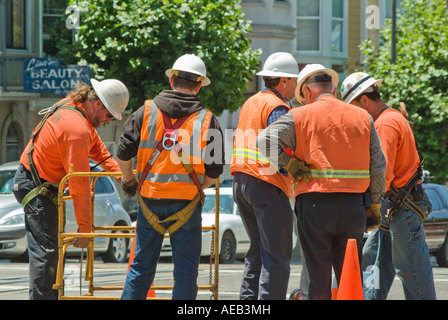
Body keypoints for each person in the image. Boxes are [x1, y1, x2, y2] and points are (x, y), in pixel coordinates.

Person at [256, 64, 386, 300]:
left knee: (317, 277)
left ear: (307, 93)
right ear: (334, 90)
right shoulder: (362, 117)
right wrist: (375, 204)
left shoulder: (299, 115)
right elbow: (378, 164)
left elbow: (264, 141)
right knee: (350, 274)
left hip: (314, 205)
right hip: (353, 207)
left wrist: (290, 164)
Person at [118, 54, 224, 300]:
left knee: (141, 267)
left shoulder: (144, 112)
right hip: (186, 205)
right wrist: (198, 186)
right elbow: (215, 170)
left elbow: (123, 152)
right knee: (186, 272)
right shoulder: (208, 119)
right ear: (199, 85)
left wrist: (129, 180)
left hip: (149, 202)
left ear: (172, 79)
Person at [13, 79, 130, 300]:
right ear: (98, 104)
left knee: (53, 256)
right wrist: (85, 228)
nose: (108, 121)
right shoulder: (76, 128)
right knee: (46, 257)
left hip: (38, 183)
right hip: (37, 187)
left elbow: (99, 151)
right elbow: (79, 181)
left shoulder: (75, 110)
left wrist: (122, 176)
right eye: (109, 116)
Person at [341, 72, 436, 300]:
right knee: (374, 262)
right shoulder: (390, 119)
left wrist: (368, 204)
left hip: (400, 208)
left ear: (364, 100)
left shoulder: (385, 124)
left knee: (411, 268)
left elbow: (382, 173)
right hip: (392, 207)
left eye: (354, 106)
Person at [230, 52, 301, 300]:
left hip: (241, 182)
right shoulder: (277, 107)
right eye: (293, 80)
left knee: (258, 251)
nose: (296, 85)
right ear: (283, 81)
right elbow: (275, 145)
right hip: (266, 183)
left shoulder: (252, 101)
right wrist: (293, 166)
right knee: (277, 256)